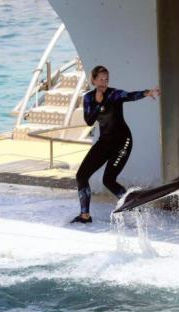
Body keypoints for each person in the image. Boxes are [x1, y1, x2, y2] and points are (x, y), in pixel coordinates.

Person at [70, 65, 160, 223]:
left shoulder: (115, 94)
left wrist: (147, 92)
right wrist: (98, 103)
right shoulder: (88, 98)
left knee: (108, 180)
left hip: (122, 142)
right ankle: (85, 215)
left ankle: (134, 206)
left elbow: (131, 96)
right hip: (104, 142)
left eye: (106, 79)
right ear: (93, 80)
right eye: (100, 79)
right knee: (81, 176)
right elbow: (89, 121)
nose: (104, 83)